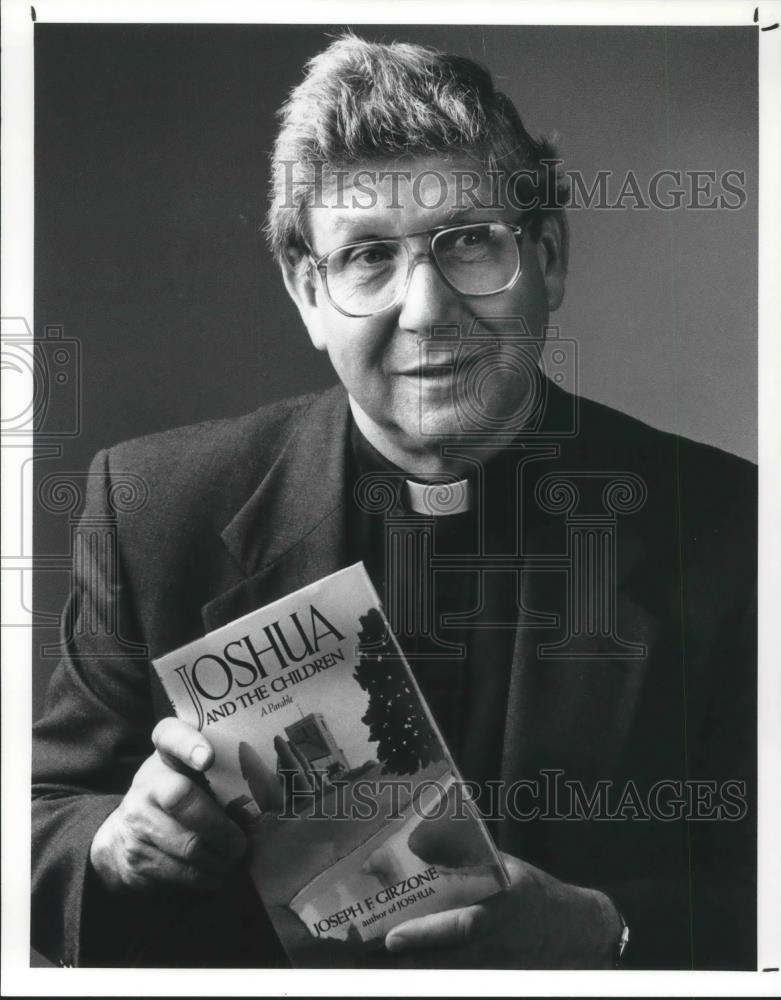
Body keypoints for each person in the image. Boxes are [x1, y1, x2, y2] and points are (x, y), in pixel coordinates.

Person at [32, 35, 756, 970]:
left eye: (466, 242)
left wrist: (608, 933)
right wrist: (113, 845)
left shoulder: (740, 530)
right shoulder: (150, 507)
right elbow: (43, 818)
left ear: (547, 255)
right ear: (308, 295)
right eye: (368, 256)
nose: (425, 309)